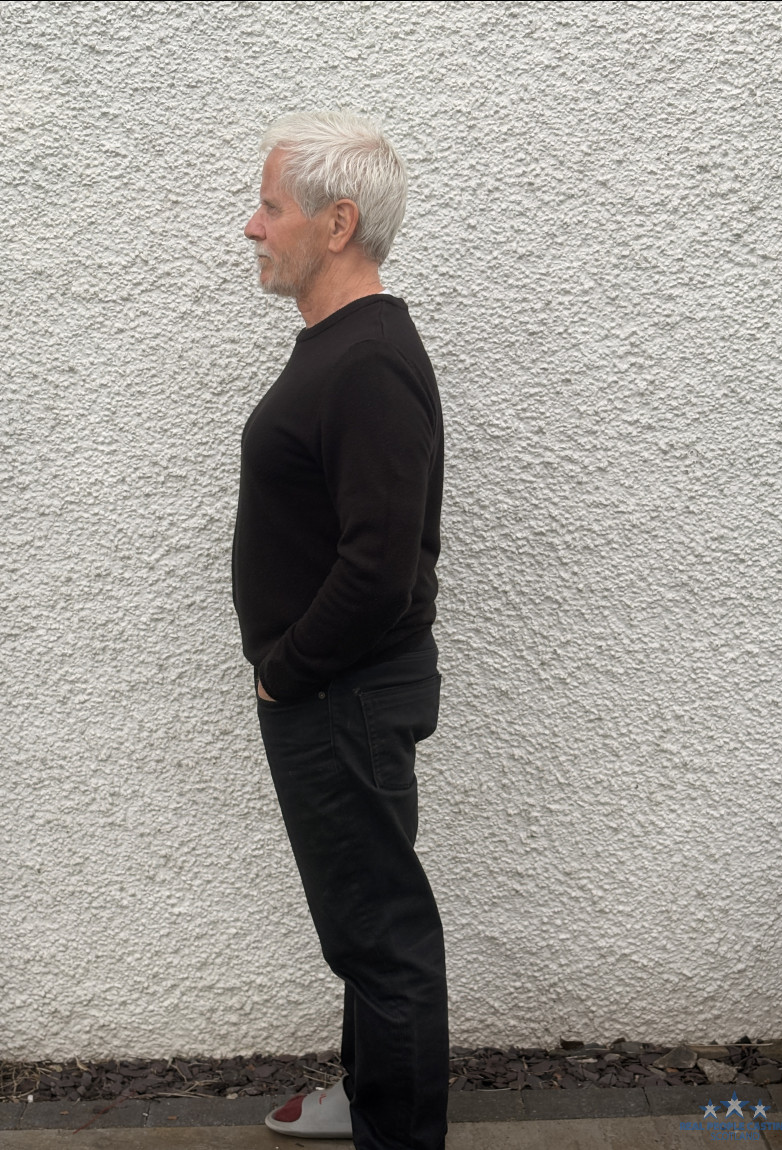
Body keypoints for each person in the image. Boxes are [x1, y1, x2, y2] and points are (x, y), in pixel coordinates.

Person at [232, 111, 448, 1150]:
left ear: (336, 223)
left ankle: (395, 1133)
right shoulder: (343, 347)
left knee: (382, 936)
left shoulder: (367, 362)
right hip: (334, 694)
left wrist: (285, 674)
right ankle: (370, 1099)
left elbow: (380, 570)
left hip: (340, 695)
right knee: (363, 926)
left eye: (271, 207)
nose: (252, 226)